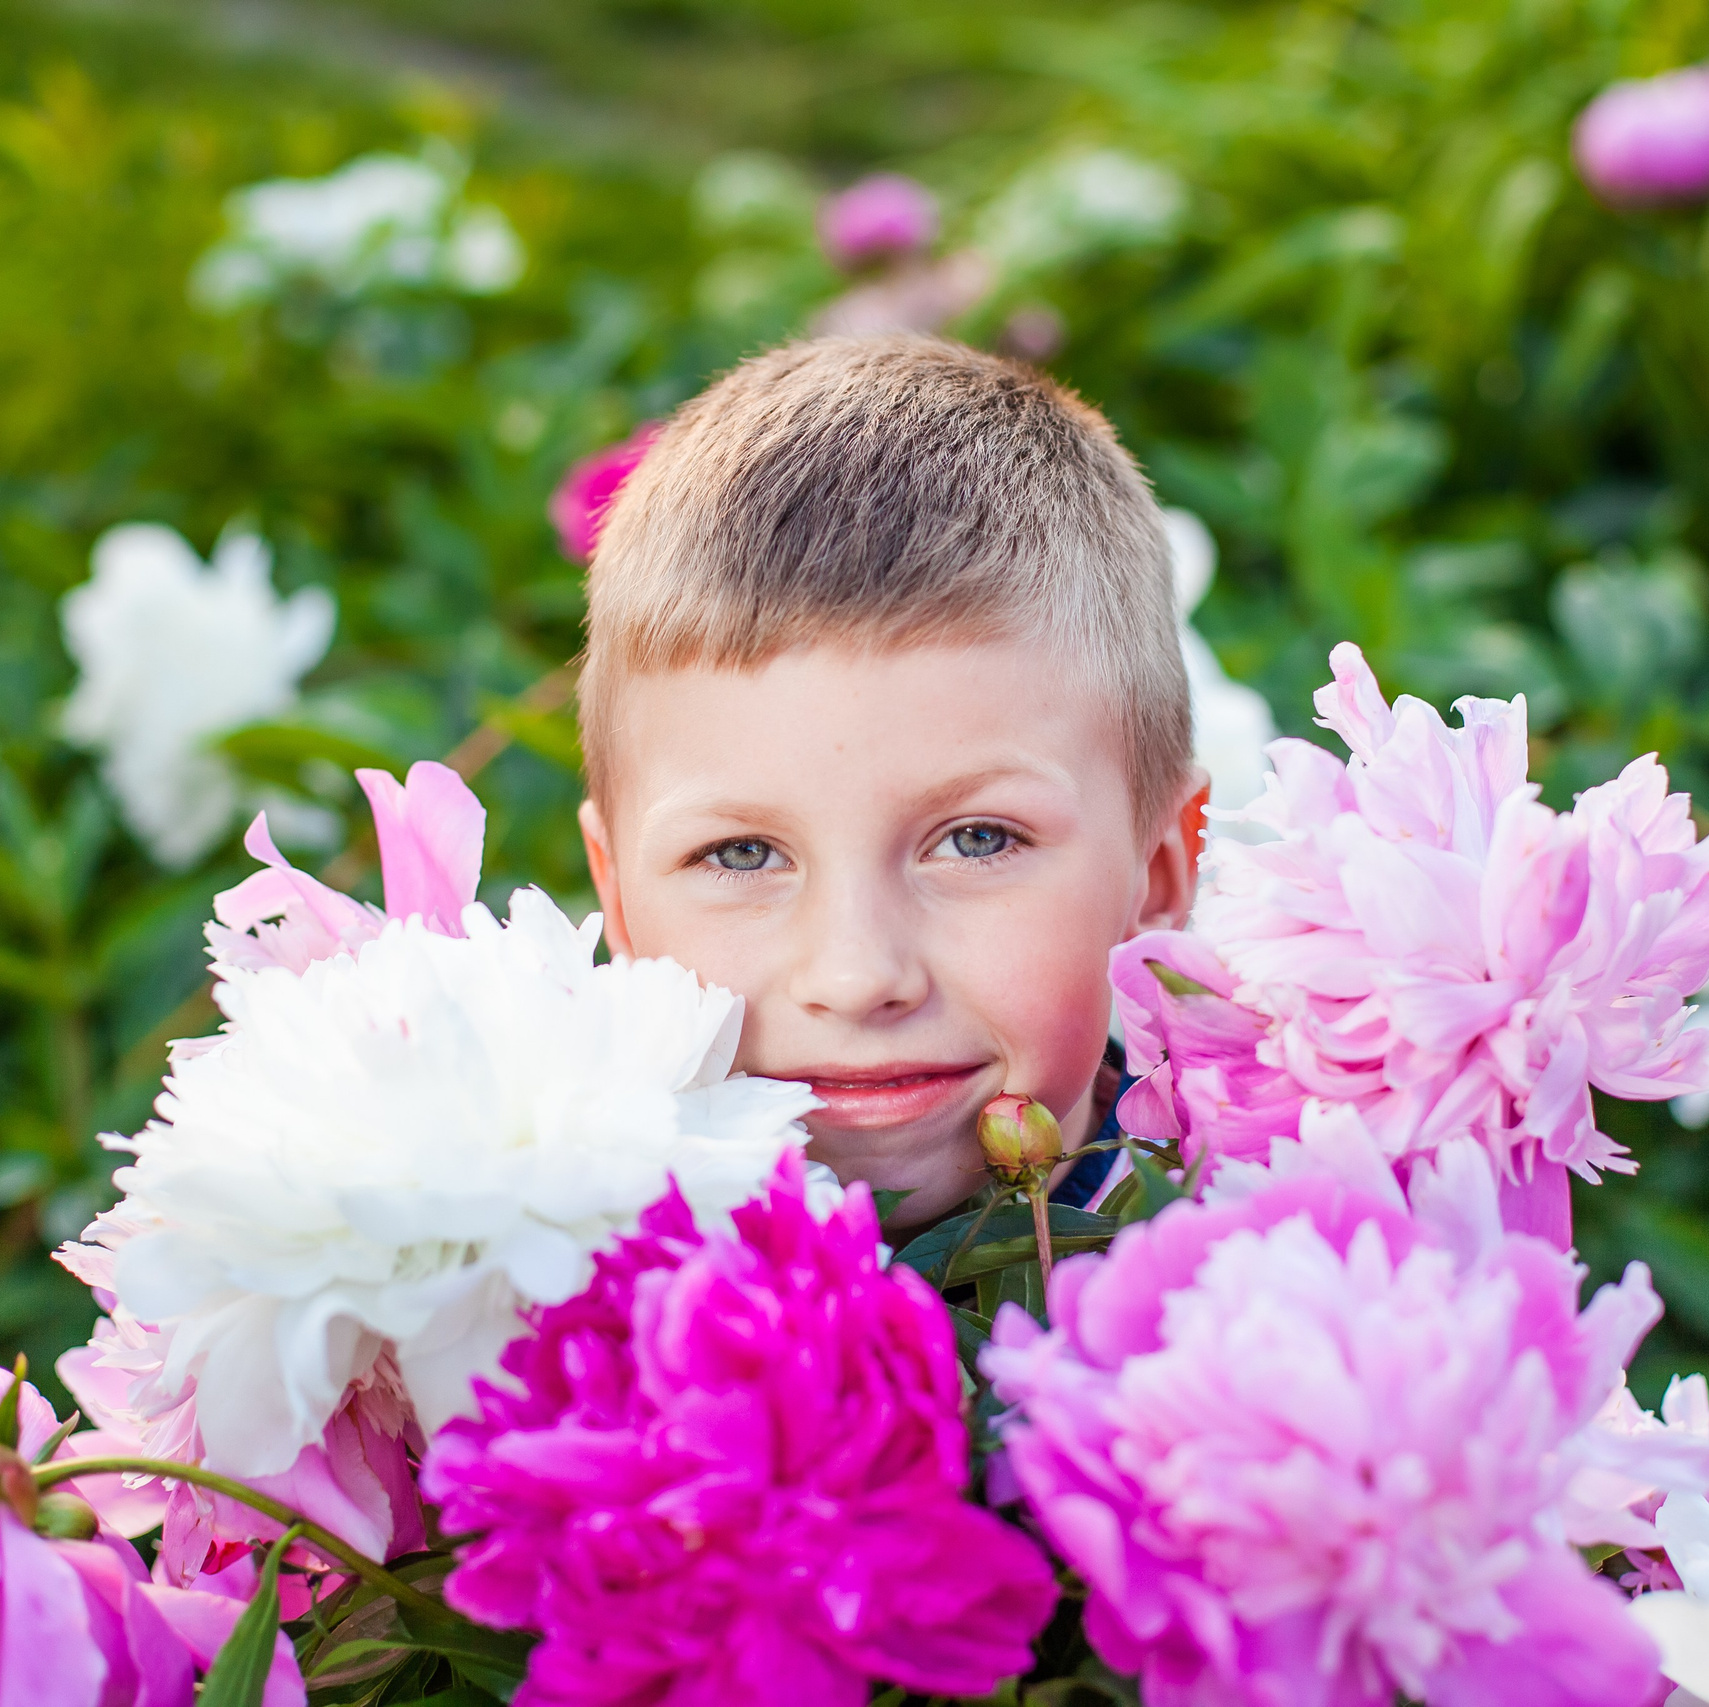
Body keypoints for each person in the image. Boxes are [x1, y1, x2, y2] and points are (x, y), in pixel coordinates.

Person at [575, 334, 1206, 1229]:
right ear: (620, 907)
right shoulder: (544, 1282)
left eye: (976, 839)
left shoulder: (1266, 1244)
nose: (856, 974)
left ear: (1159, 873)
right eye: (743, 852)